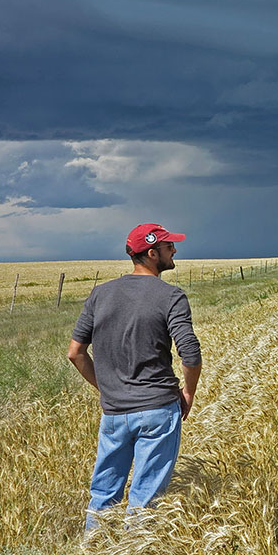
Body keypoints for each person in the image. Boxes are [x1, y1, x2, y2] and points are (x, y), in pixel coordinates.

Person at [68, 223, 202, 529]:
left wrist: (108, 389)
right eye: (170, 247)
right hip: (157, 409)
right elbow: (190, 354)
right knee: (145, 501)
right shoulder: (171, 296)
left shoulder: (100, 294)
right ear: (153, 253)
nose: (175, 251)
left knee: (103, 494)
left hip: (114, 413)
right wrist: (189, 393)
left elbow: (75, 353)